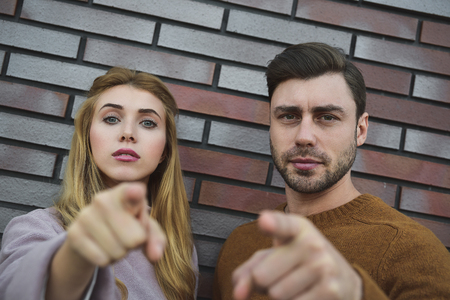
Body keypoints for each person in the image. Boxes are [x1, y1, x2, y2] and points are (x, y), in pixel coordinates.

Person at [213, 43, 450, 300]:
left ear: (360, 130)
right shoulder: (238, 246)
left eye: (327, 117)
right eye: (289, 116)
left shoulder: (413, 252)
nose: (304, 137)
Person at [0, 67, 198, 300]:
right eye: (111, 118)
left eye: (148, 123)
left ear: (164, 150)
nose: (128, 133)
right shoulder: (37, 229)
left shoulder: (179, 249)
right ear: (88, 138)